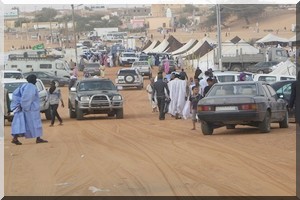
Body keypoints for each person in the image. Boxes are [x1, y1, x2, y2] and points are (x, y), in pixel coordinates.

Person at [10, 74, 48, 145]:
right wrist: (24, 106)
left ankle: (15, 138)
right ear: (34, 80)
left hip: (25, 109)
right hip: (30, 110)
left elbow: (15, 94)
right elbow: (27, 98)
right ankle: (38, 138)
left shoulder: (24, 86)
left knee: (21, 124)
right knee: (35, 124)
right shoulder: (31, 87)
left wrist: (19, 104)